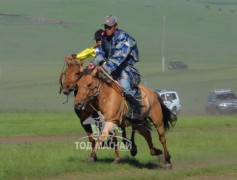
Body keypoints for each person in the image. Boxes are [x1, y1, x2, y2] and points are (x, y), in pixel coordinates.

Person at [87, 15, 142, 123]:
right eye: (106, 26)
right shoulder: (104, 37)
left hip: (125, 68)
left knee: (125, 87)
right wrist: (93, 64)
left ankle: (136, 112)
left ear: (115, 26)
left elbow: (119, 57)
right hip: (111, 69)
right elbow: (102, 53)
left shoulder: (124, 38)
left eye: (109, 27)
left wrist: (104, 68)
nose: (107, 29)